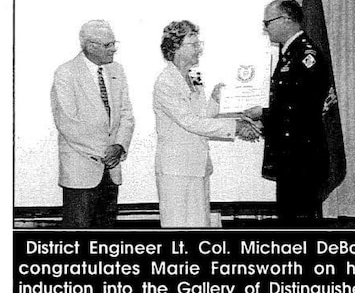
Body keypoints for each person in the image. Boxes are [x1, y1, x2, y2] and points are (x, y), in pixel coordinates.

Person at [153, 20, 260, 228]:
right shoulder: (165, 82)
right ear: (175, 48)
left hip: (199, 166)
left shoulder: (195, 76)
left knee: (200, 225)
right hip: (176, 172)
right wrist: (235, 127)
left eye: (198, 43)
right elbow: (190, 122)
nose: (199, 49)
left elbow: (203, 116)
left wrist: (217, 99)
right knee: (178, 229)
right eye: (193, 45)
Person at [244, 0, 330, 221]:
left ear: (286, 20)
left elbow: (301, 109)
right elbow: (285, 103)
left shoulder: (306, 55)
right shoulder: (291, 53)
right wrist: (263, 119)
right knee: (289, 215)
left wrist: (262, 114)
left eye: (268, 22)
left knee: (298, 219)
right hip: (291, 154)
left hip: (302, 156)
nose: (266, 28)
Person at [51, 20, 135, 228]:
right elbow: (67, 123)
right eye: (108, 45)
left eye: (113, 43)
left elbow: (126, 114)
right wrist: (105, 152)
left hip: (111, 172)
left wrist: (119, 147)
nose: (114, 49)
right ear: (90, 46)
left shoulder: (117, 70)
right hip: (80, 172)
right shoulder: (66, 73)